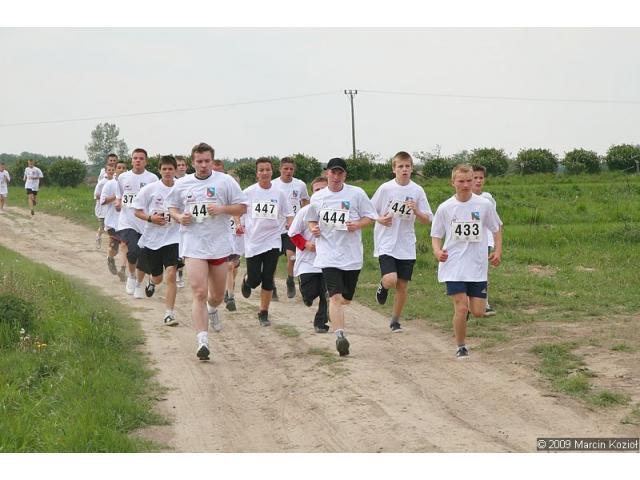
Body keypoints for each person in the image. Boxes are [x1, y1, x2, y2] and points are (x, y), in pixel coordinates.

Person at [166, 142, 247, 361]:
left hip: (219, 245)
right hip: (193, 244)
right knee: (199, 292)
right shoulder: (183, 184)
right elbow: (171, 206)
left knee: (217, 296)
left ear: (212, 161)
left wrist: (222, 209)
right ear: (192, 162)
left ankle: (212, 309)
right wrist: (179, 217)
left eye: (207, 161)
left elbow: (242, 207)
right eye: (199, 161)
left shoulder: (225, 181)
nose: (203, 165)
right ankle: (202, 339)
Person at [430, 164, 503, 359]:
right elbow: (436, 234)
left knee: (478, 311)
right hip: (453, 265)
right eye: (461, 181)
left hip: (477, 265)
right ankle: (461, 346)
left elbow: (496, 228)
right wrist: (437, 251)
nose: (466, 185)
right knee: (461, 306)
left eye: (469, 181)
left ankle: (465, 316)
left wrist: (497, 251)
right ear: (452, 182)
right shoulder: (445, 208)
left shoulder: (484, 205)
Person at [306, 157, 377, 356]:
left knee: (345, 298)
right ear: (327, 173)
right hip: (328, 254)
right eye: (333, 172)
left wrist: (358, 225)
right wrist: (313, 228)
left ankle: (333, 303)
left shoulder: (357, 193)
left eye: (340, 173)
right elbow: (311, 219)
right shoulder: (318, 197)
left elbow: (370, 217)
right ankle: (340, 337)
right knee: (336, 297)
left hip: (351, 255)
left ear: (345, 175)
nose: (336, 176)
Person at [371, 151, 433, 332]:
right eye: (400, 166)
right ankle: (383, 286)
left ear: (412, 169)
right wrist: (380, 219)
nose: (404, 169)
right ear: (394, 169)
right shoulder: (385, 189)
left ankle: (395, 321)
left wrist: (417, 211)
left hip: (406, 244)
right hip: (386, 241)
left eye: (407, 166)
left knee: (402, 285)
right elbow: (369, 209)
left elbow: (428, 219)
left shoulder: (417, 190)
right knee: (391, 279)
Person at [240, 157, 294, 326]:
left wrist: (290, 224)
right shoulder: (248, 192)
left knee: (268, 277)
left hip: (273, 240)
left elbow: (289, 213)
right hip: (253, 241)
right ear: (257, 173)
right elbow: (238, 211)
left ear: (272, 171)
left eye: (267, 170)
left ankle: (263, 313)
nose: (265, 173)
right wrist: (238, 224)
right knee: (255, 279)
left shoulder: (279, 193)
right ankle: (247, 280)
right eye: (261, 170)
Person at [133, 155, 181, 326]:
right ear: (159, 170)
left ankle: (169, 314)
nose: (167, 172)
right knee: (158, 277)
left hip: (174, 238)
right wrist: (150, 218)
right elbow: (137, 211)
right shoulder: (150, 189)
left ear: (175, 170)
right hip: (153, 239)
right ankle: (152, 282)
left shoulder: (182, 188)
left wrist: (181, 217)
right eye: (164, 169)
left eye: (170, 169)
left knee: (171, 274)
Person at [288, 176, 330, 333]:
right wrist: (306, 244)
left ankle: (320, 323)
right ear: (312, 194)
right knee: (310, 293)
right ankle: (307, 297)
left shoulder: (334, 211)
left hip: (327, 260)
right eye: (317, 190)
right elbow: (293, 233)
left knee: (326, 293)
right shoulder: (305, 211)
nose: (320, 192)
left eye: (323, 189)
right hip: (307, 261)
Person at [115, 148, 159, 297]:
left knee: (144, 256)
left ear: (146, 161)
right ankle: (132, 276)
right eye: (135, 158)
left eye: (141, 158)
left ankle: (139, 284)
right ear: (131, 160)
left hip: (146, 223)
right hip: (127, 222)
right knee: (133, 251)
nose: (138, 161)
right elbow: (119, 195)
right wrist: (118, 202)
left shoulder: (152, 178)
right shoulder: (123, 177)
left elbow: (156, 199)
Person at [272, 157, 310, 299]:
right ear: (280, 169)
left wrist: (304, 216)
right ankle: (271, 285)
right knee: (273, 260)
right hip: (276, 227)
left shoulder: (300, 185)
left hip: (293, 228)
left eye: (291, 169)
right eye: (285, 169)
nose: (288, 171)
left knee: (292, 256)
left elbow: (305, 200)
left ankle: (290, 280)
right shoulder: (273, 184)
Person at [472, 164, 500, 317]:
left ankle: (485, 302)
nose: (478, 181)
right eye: (475, 178)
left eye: (481, 178)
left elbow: (495, 223)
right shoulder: (461, 197)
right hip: (466, 242)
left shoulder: (487, 198)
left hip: (485, 241)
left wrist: (496, 246)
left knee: (482, 270)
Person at [101, 161, 128, 278]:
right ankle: (110, 258)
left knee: (124, 245)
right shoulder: (109, 184)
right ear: (115, 170)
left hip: (126, 221)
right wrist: (116, 197)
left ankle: (123, 269)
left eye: (124, 168)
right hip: (112, 221)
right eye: (119, 167)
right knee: (114, 248)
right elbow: (102, 201)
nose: (121, 170)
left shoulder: (130, 184)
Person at [224, 173, 244, 312]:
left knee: (233, 267)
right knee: (229, 267)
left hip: (238, 240)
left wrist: (240, 225)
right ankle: (231, 297)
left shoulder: (244, 199)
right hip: (223, 239)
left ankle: (228, 287)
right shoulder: (220, 199)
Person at [174, 156, 189, 288]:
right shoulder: (170, 181)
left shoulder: (191, 181)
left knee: (182, 251)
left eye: (183, 165)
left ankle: (179, 274)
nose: (181, 167)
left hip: (186, 222)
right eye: (178, 165)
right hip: (172, 222)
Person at [93, 169, 110, 249]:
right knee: (102, 227)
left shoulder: (116, 182)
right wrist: (108, 198)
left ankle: (112, 243)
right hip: (102, 209)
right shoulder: (101, 183)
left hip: (112, 209)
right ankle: (98, 237)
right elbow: (96, 196)